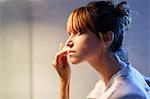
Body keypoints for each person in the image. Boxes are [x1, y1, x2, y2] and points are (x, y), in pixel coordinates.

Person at [52, 1, 150, 99]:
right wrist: (64, 80)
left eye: (78, 32)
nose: (68, 43)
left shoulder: (124, 94)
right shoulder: (107, 81)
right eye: (70, 34)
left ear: (107, 38)